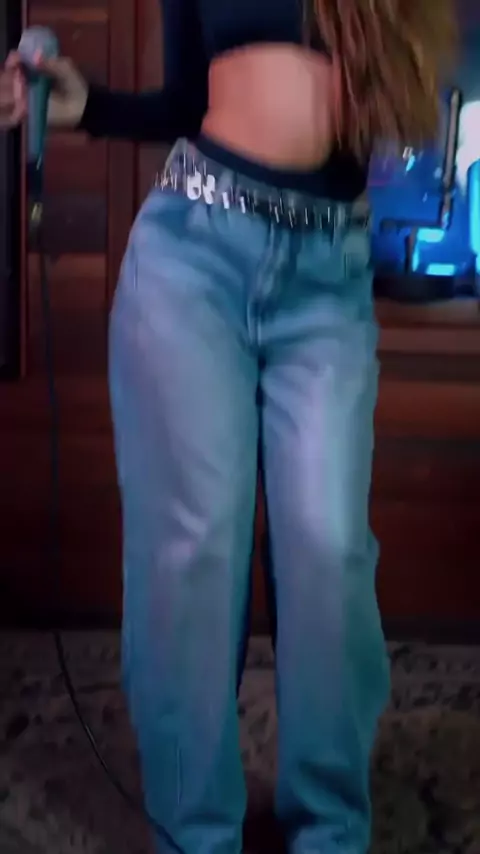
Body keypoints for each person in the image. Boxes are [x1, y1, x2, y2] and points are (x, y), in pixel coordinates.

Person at [1, 2, 457, 852]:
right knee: (193, 553)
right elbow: (187, 100)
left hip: (328, 276)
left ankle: (331, 832)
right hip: (194, 257)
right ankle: (194, 835)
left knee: (328, 550)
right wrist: (85, 105)